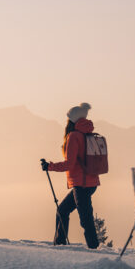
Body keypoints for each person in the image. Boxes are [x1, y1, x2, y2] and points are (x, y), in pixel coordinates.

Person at [40, 102, 100, 249]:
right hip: (90, 182)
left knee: (85, 219)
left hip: (81, 184)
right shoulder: (87, 134)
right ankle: (60, 244)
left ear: (72, 120)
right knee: (62, 210)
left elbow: (69, 164)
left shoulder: (74, 136)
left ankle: (93, 247)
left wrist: (50, 166)